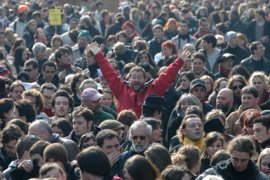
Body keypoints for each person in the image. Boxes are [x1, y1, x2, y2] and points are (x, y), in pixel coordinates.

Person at [88, 42, 190, 118]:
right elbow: (109, 72)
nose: (136, 80)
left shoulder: (154, 89)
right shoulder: (121, 89)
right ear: (128, 78)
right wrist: (98, 55)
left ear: (145, 79)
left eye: (140, 77)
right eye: (134, 77)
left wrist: (180, 61)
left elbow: (167, 76)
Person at [196, 136, 268, 180]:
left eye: (243, 160)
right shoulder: (214, 173)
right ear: (230, 154)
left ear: (250, 157)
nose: (239, 164)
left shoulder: (260, 178)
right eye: (235, 159)